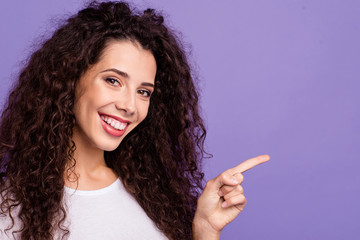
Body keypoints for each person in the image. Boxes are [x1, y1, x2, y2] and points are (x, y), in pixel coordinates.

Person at [0, 1, 269, 239]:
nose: (129, 105)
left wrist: (205, 231)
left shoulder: (155, 195)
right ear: (69, 80)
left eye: (143, 92)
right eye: (113, 80)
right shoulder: (9, 209)